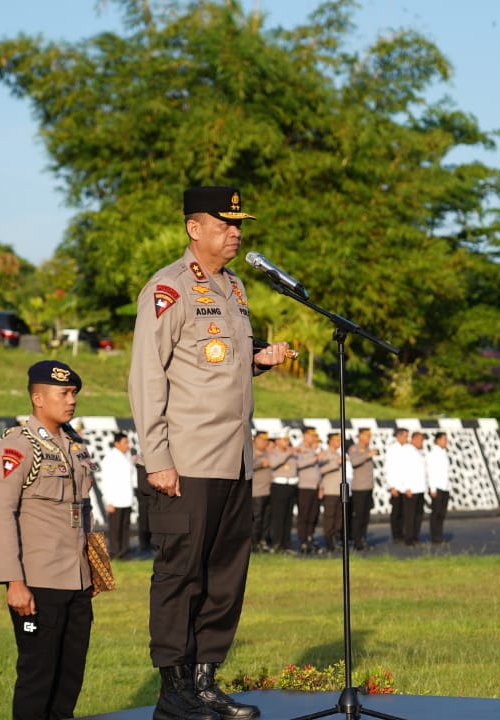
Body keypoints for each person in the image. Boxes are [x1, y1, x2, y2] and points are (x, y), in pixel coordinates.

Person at [129, 185, 289, 720]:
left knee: (225, 575)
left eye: (239, 225)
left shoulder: (236, 288)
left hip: (234, 459)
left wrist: (259, 362)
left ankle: (205, 681)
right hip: (187, 460)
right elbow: (148, 377)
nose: (236, 233)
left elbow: (219, 368)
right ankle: (173, 689)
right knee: (181, 573)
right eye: (225, 224)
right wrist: (158, 459)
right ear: (195, 228)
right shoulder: (168, 290)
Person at [0, 360, 96, 720]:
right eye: (63, 393)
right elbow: (1, 515)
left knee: (70, 675)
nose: (71, 401)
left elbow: (83, 510)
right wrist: (13, 582)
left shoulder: (74, 446)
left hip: (77, 580)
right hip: (38, 582)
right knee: (38, 676)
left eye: (74, 394)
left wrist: (94, 567)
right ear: (38, 397)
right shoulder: (18, 446)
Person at [99, 432, 137, 559]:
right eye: (125, 442)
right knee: (115, 529)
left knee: (125, 527)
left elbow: (132, 477)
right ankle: (115, 553)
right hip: (114, 500)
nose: (128, 445)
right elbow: (105, 481)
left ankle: (125, 552)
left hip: (127, 498)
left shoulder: (127, 457)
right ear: (117, 443)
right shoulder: (109, 458)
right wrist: (107, 501)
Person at [267, 432, 299, 554]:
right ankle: (277, 544)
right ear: (277, 441)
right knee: (279, 516)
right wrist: (287, 454)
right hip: (279, 486)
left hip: (291, 484)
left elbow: (297, 466)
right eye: (284, 440)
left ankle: (286, 544)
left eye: (287, 439)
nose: (287, 442)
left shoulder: (291, 452)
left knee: (288, 517)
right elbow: (273, 464)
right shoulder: (274, 452)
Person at [294, 427, 325, 554]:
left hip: (314, 487)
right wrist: (314, 459)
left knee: (313, 514)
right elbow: (298, 465)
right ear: (305, 436)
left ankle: (310, 538)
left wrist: (321, 486)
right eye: (311, 435)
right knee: (304, 515)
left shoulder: (313, 450)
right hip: (304, 487)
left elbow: (318, 471)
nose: (313, 438)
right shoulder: (299, 448)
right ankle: (302, 541)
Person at [346, 429, 377, 551]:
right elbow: (354, 462)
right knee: (358, 515)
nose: (368, 438)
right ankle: (356, 540)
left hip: (369, 486)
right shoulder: (354, 448)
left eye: (369, 436)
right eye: (366, 436)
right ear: (360, 436)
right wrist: (367, 455)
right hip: (359, 488)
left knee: (365, 515)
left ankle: (363, 538)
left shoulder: (368, 448)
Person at [383, 429, 411, 544]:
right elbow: (389, 469)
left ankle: (403, 533)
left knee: (405, 512)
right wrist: (391, 486)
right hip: (396, 486)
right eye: (405, 436)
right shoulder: (392, 450)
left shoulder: (408, 449)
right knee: (396, 512)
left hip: (405, 486)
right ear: (398, 436)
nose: (406, 438)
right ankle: (396, 534)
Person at [317, 432, 344, 552]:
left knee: (339, 517)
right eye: (336, 440)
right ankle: (328, 540)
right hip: (329, 490)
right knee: (329, 517)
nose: (339, 442)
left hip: (339, 490)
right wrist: (335, 463)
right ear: (330, 441)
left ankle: (335, 538)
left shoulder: (338, 453)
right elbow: (320, 470)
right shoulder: (324, 454)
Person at [249, 432, 272, 552]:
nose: (265, 442)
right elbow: (247, 465)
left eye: (266, 440)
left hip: (267, 490)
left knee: (266, 519)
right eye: (262, 440)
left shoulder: (266, 451)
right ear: (255, 439)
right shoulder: (251, 450)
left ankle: (263, 541)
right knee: (256, 519)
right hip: (256, 491)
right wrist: (260, 464)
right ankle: (253, 543)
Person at [427, 432, 452, 544]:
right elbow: (431, 471)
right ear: (437, 440)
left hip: (445, 486)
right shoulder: (433, 453)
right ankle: (435, 537)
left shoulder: (443, 453)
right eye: (444, 439)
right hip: (437, 487)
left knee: (442, 513)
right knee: (436, 513)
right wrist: (432, 488)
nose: (446, 442)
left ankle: (439, 535)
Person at [405, 431, 429, 545]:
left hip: (420, 488)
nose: (422, 442)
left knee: (418, 514)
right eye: (420, 440)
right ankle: (409, 538)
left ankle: (415, 536)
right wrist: (406, 487)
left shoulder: (420, 453)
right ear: (413, 439)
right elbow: (404, 471)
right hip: (411, 489)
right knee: (410, 515)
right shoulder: (407, 451)